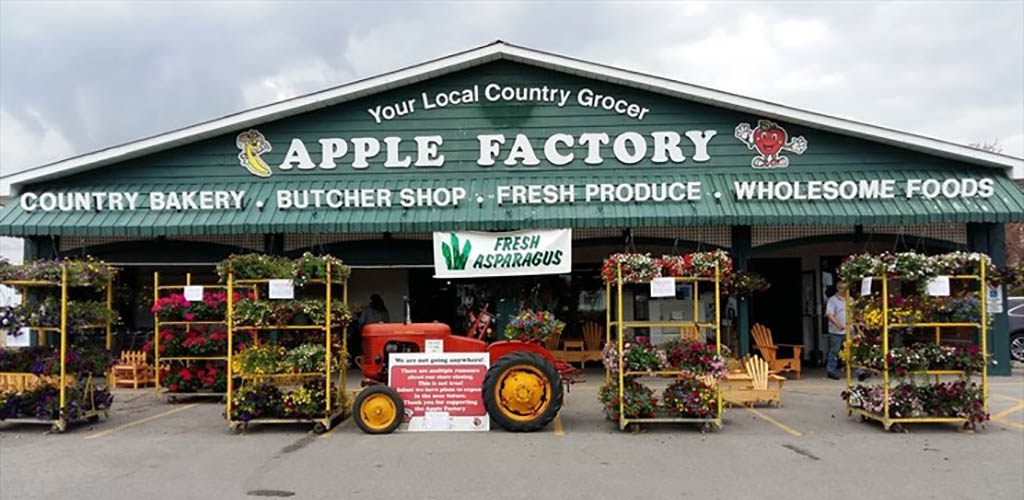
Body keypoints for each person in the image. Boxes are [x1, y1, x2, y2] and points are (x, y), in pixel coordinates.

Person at [825, 282, 866, 381]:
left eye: (846, 288)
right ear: (838, 289)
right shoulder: (832, 300)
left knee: (853, 350)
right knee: (835, 351)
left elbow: (855, 314)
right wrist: (838, 324)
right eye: (842, 288)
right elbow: (829, 314)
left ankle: (860, 372)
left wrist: (859, 326)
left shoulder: (850, 299)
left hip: (849, 329)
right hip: (836, 332)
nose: (844, 291)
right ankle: (831, 371)